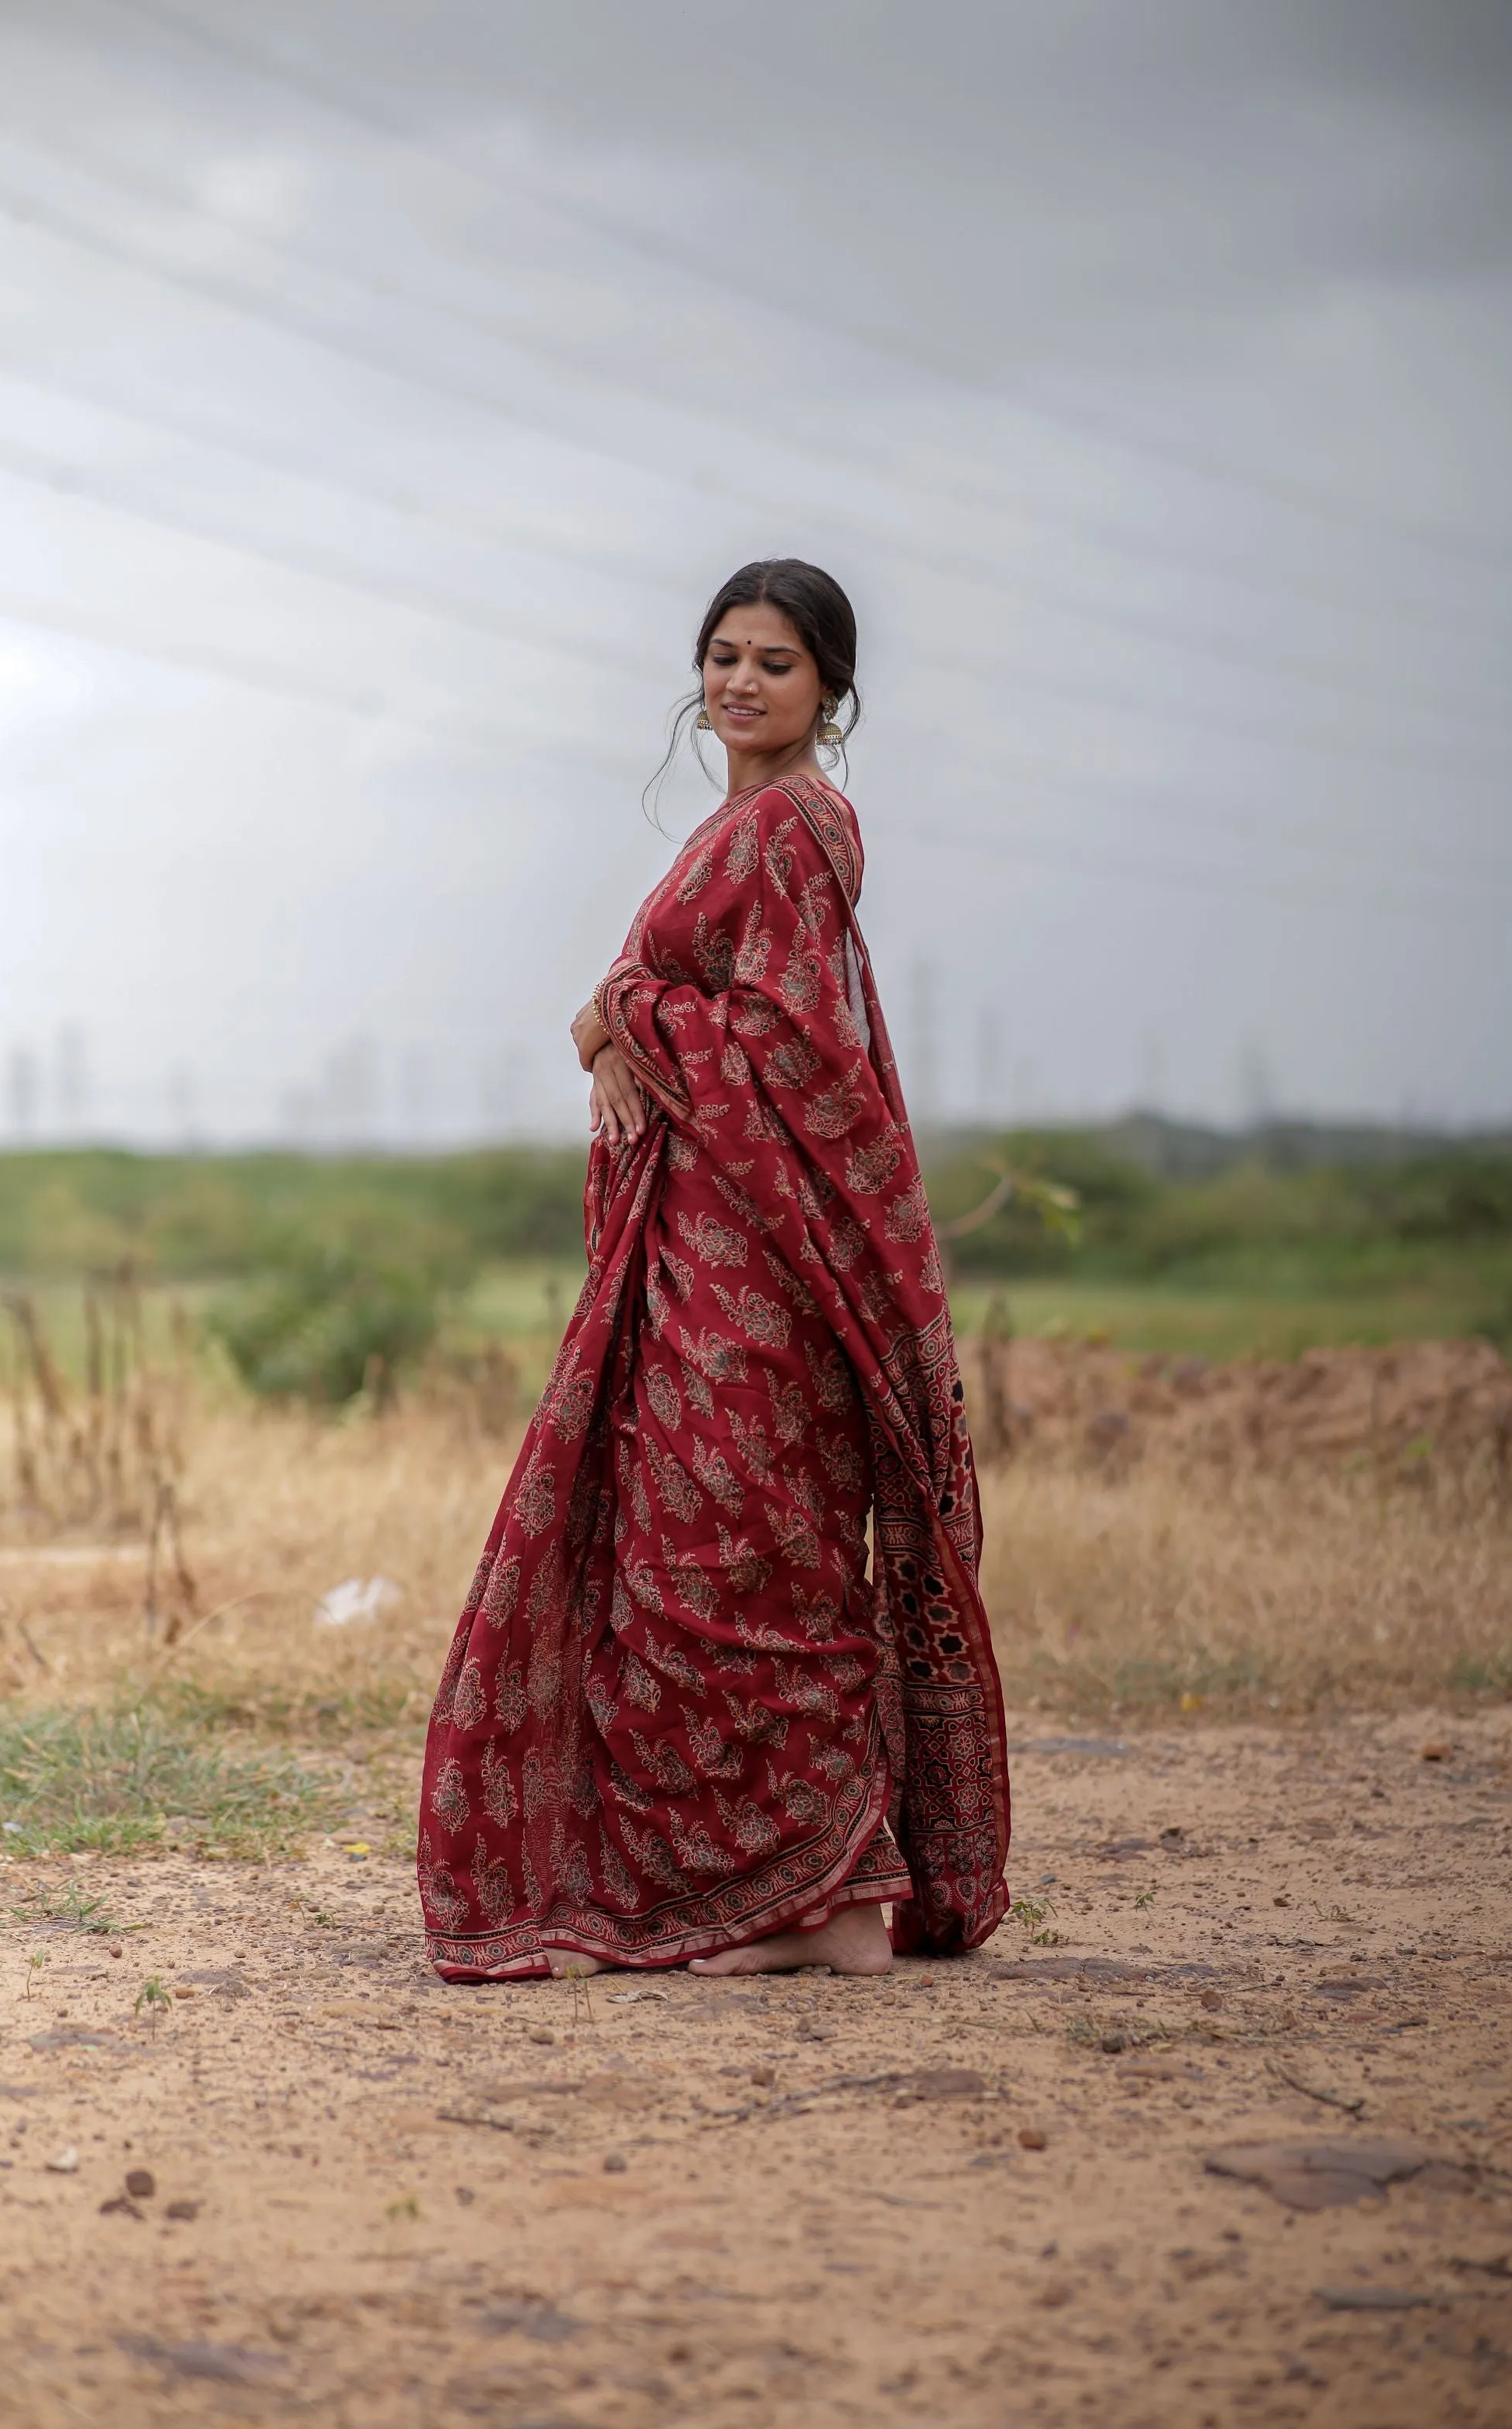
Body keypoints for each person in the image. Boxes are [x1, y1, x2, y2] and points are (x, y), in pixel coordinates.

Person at [418, 559, 1010, 1980]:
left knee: (738, 1565)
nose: (742, 682)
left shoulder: (796, 830)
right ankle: (799, 1900)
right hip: (698, 1251)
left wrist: (616, 1011)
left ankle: (831, 1900)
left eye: (778, 664)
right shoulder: (746, 823)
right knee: (705, 1561)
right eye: (725, 656)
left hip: (763, 1261)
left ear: (833, 693)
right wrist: (623, 1014)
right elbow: (734, 1016)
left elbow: (796, 1057)